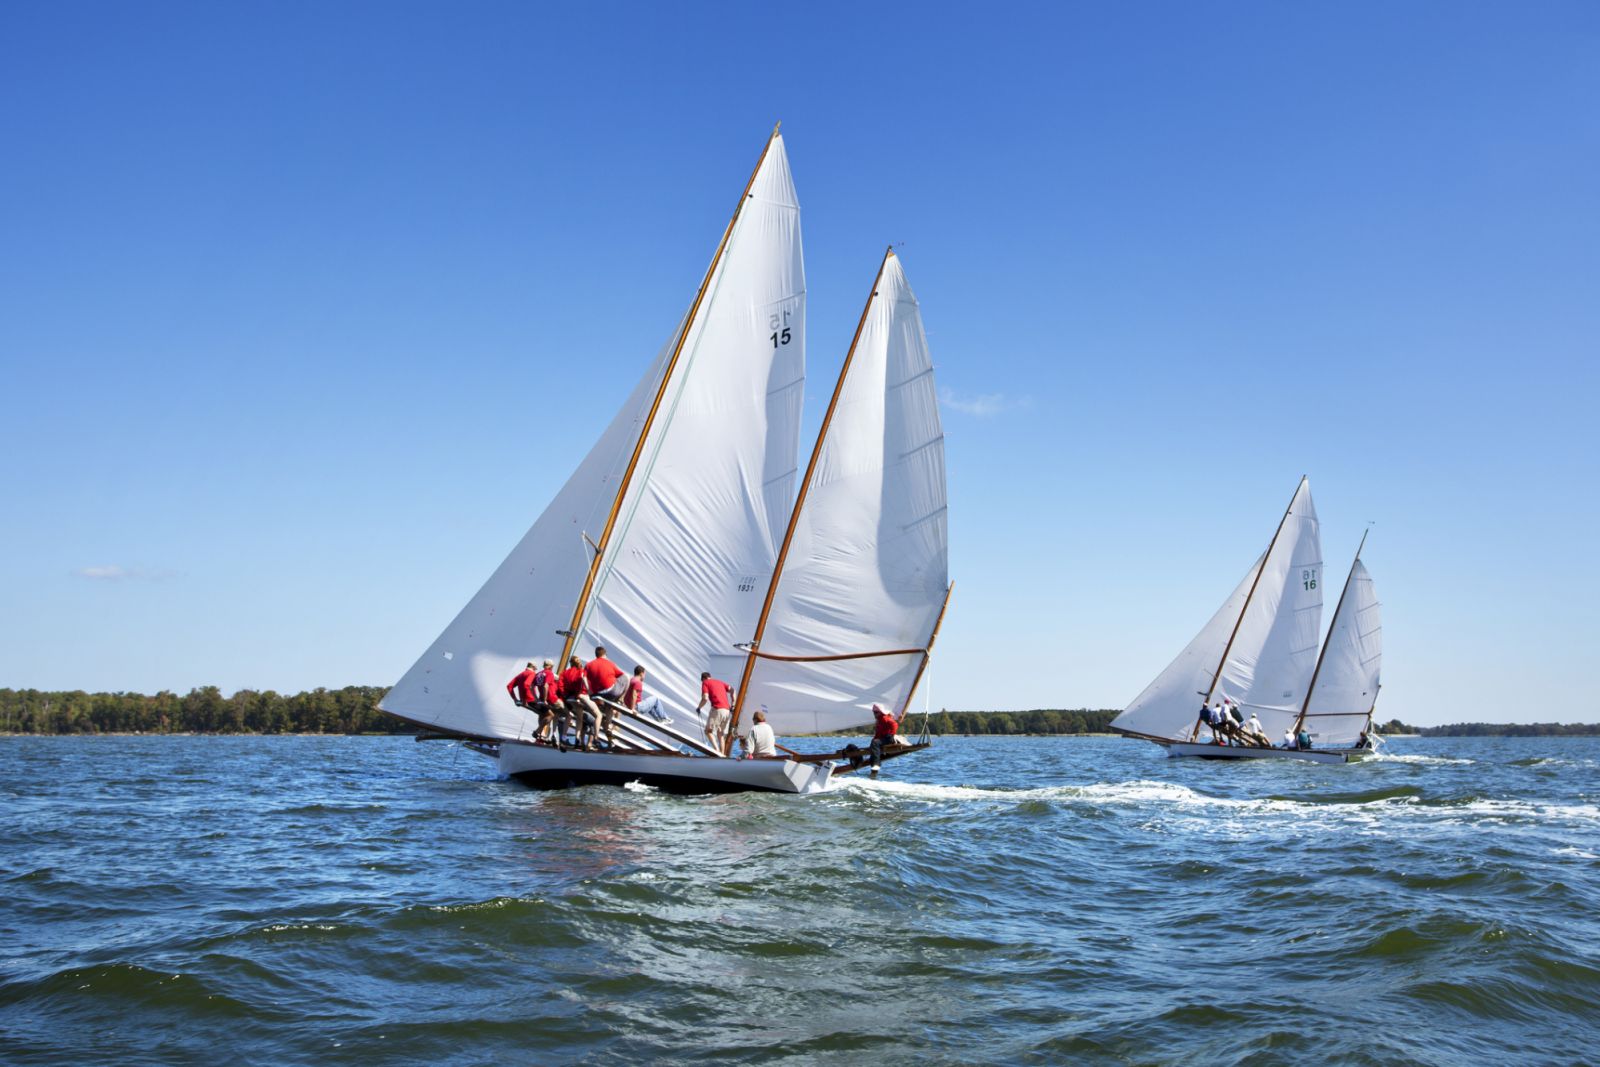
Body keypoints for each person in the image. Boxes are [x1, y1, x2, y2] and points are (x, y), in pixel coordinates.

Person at [584, 646, 627, 749]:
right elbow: (621, 675)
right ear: (604, 654)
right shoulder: (609, 663)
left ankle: (594, 742)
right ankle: (620, 700)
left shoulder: (588, 665)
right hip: (610, 693)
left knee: (598, 717)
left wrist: (589, 690)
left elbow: (584, 677)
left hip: (596, 694)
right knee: (627, 678)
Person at [561, 655, 599, 750]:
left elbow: (561, 685)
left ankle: (574, 739)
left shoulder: (565, 672)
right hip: (580, 696)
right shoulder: (581, 671)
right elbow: (581, 682)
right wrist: (579, 694)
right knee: (596, 716)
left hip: (570, 698)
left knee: (579, 717)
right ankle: (582, 739)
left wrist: (565, 696)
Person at [698, 671, 734, 751]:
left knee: (708, 731)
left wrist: (699, 707)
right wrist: (733, 703)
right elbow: (732, 690)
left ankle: (716, 750)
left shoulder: (705, 682)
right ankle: (722, 754)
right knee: (720, 734)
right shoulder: (720, 682)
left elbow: (705, 698)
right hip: (727, 711)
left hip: (718, 709)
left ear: (703, 679)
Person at [869, 703, 898, 775]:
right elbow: (878, 734)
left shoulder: (885, 718)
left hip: (888, 738)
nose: (874, 714)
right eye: (874, 712)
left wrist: (892, 734)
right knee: (874, 742)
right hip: (883, 739)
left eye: (876, 712)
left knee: (875, 742)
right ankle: (873, 765)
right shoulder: (879, 721)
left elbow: (894, 724)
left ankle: (876, 764)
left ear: (880, 712)